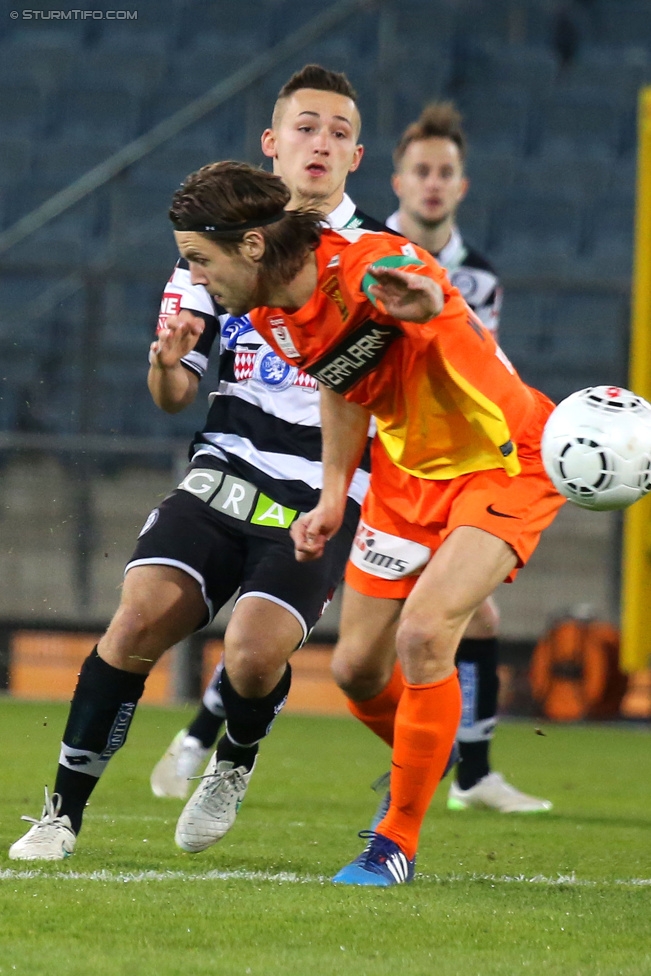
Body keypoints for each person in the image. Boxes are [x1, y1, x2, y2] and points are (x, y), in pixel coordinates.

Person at [8, 65, 383, 862]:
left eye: (339, 132)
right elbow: (174, 394)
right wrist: (167, 360)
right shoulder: (206, 250)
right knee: (139, 616)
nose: (321, 143)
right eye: (306, 127)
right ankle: (61, 812)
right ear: (271, 144)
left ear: (356, 157)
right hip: (225, 468)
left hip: (322, 486)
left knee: (250, 653)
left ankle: (232, 760)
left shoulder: (378, 258)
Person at [167, 160, 565, 886]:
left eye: (199, 259)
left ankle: (394, 843)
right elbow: (343, 390)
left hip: (505, 458)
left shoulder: (370, 262)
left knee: (423, 632)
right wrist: (330, 494)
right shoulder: (267, 315)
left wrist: (426, 305)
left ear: (251, 246)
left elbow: (426, 293)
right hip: (407, 477)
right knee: (354, 670)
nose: (195, 277)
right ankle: (426, 746)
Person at [370, 102, 552, 815]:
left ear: (462, 185)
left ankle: (468, 772)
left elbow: (477, 366)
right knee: (341, 626)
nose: (433, 183)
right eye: (421, 170)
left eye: (445, 172)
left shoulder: (478, 276)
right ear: (398, 181)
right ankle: (206, 735)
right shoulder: (370, 255)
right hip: (389, 458)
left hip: (457, 460)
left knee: (470, 619)